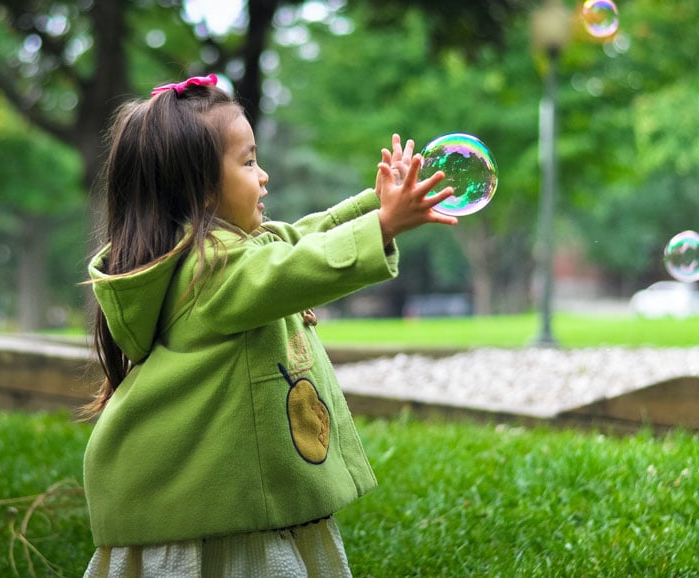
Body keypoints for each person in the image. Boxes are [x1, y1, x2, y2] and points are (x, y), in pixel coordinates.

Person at [81, 73, 457, 577]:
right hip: (214, 515)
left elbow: (301, 236)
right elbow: (298, 266)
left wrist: (375, 204)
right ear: (203, 189)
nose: (264, 176)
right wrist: (383, 226)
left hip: (229, 499)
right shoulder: (211, 272)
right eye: (249, 161)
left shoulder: (224, 253)